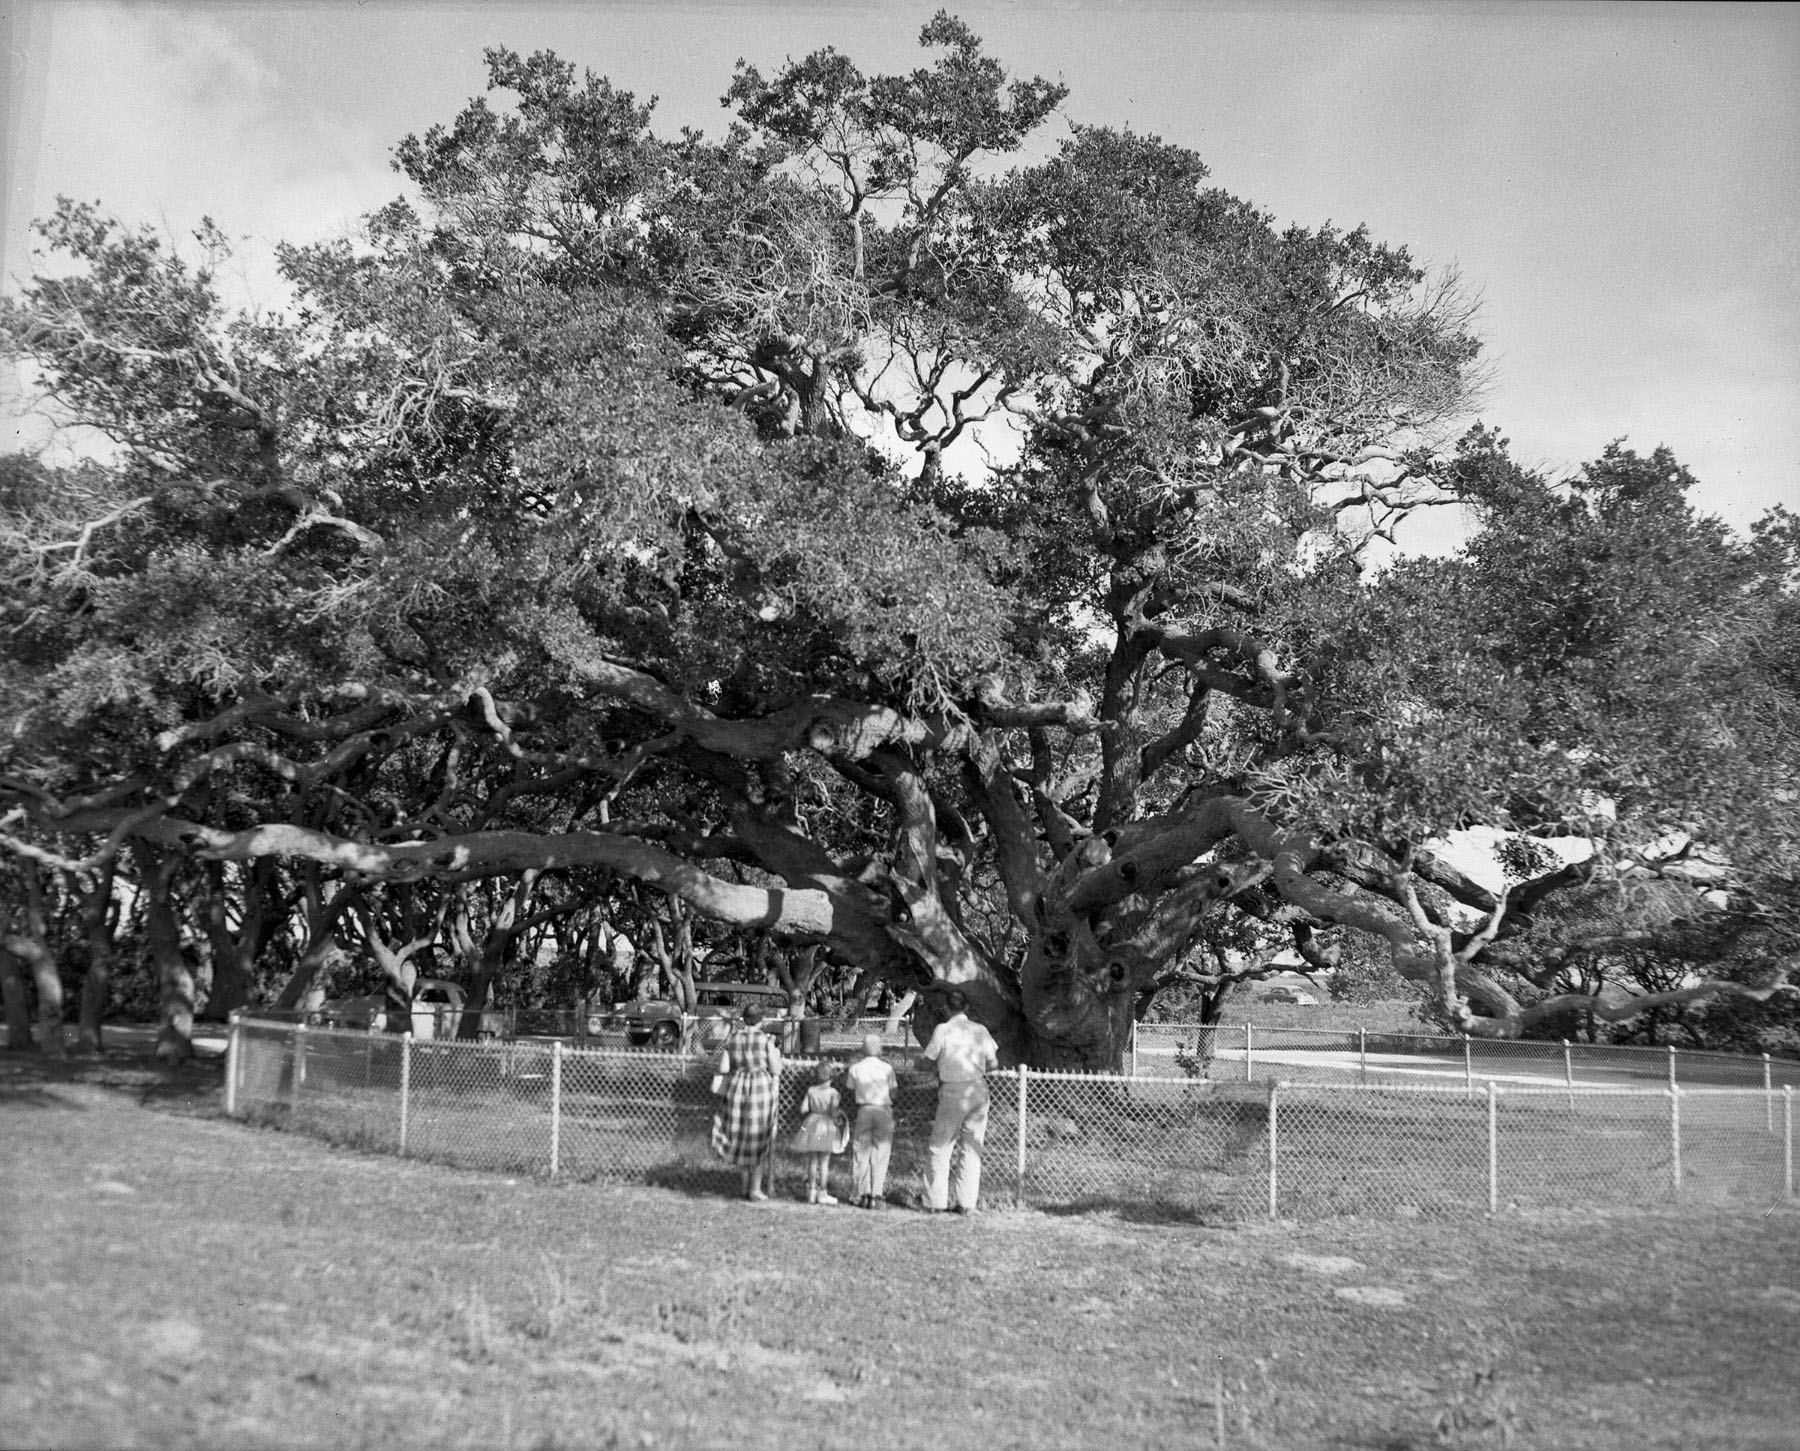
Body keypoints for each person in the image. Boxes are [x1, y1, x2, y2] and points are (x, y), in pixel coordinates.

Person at [921, 988, 1000, 1215]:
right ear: (966, 1008)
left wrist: (920, 1064)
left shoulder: (943, 1030)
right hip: (978, 1090)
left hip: (954, 1091)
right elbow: (993, 1063)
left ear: (947, 1008)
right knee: (971, 1148)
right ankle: (966, 1203)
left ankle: (935, 1202)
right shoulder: (980, 1030)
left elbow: (928, 1062)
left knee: (941, 1145)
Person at [710, 1004, 784, 1201]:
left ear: (743, 1019)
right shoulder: (765, 1040)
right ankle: (755, 1189)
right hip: (760, 1088)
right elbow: (776, 1069)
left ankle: (744, 1187)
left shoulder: (733, 1038)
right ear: (761, 1020)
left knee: (742, 1137)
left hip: (737, 1087)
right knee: (758, 1138)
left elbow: (724, 1067)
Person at [844, 1033, 899, 1209]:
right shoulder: (887, 1068)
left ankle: (861, 1192)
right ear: (880, 1049)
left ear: (863, 1049)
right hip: (883, 1109)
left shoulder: (856, 1068)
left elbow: (850, 1089)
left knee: (861, 1151)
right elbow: (894, 1092)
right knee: (881, 1151)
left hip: (864, 1109)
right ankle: (877, 1193)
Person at [791, 1060, 848, 1205]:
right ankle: (823, 1192)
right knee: (824, 1162)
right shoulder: (833, 1093)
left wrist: (813, 1107)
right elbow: (833, 1112)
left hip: (811, 1123)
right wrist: (840, 1115)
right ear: (831, 1077)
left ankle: (811, 1191)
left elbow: (803, 1109)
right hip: (826, 1124)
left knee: (812, 1160)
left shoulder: (811, 1090)